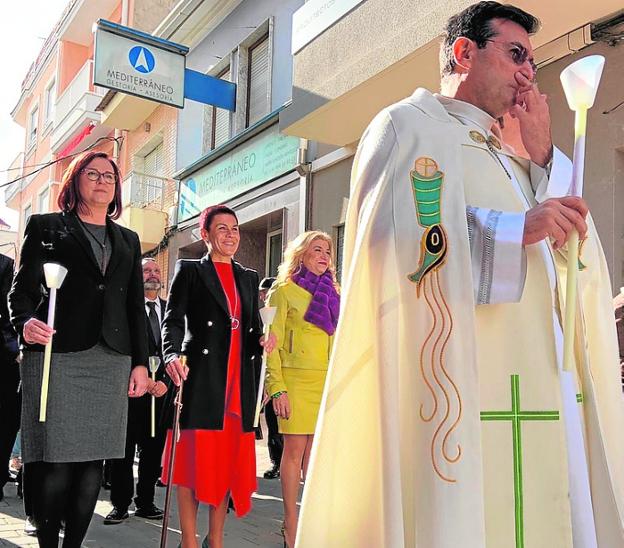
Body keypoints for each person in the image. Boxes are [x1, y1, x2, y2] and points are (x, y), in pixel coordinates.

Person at [296, 2, 624, 547]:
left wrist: (542, 158)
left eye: (532, 61)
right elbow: (391, 251)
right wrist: (509, 231)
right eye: (515, 54)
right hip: (461, 402)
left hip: (541, 391)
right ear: (464, 52)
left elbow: (572, 257)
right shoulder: (406, 128)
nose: (528, 73)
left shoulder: (509, 157)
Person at [9, 150, 149, 548]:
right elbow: (22, 292)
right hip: (59, 356)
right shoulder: (46, 227)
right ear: (75, 181)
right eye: (93, 173)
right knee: (56, 460)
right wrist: (25, 323)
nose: (103, 181)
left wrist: (140, 364)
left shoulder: (128, 239)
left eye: (110, 176)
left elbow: (133, 305)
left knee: (93, 462)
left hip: (111, 359)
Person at [162, 204, 274, 548]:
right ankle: (191, 541)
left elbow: (251, 328)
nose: (230, 235)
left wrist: (262, 341)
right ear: (206, 235)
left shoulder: (248, 277)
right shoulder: (191, 271)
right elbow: (173, 319)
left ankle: (218, 539)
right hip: (202, 379)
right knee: (192, 466)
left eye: (235, 229)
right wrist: (170, 355)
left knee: (224, 465)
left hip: (238, 383)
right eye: (222, 228)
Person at [265, 231, 340, 548]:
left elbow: (339, 343)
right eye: (316, 250)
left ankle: (312, 520)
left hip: (325, 381)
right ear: (300, 255)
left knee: (316, 456)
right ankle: (291, 523)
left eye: (328, 251)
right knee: (293, 453)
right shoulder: (282, 291)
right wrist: (277, 387)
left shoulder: (335, 292)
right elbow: (271, 345)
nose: (324, 255)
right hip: (294, 382)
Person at [104, 258, 169, 524]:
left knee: (153, 451)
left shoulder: (170, 310)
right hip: (129, 390)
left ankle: (145, 502)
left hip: (162, 391)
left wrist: (164, 381)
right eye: (146, 271)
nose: (152, 274)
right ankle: (120, 504)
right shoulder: (125, 310)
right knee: (124, 450)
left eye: (156, 270)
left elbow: (178, 347)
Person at [258, 276, 283, 480]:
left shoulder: (282, 313)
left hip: (283, 378)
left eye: (267, 292)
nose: (264, 296)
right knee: (272, 424)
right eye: (262, 293)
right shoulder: (259, 317)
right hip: (264, 379)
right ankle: (276, 462)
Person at [0, 252, 19, 502]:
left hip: (4, 360)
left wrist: (15, 351)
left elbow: (8, 313)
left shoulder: (4, 265)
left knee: (6, 421)